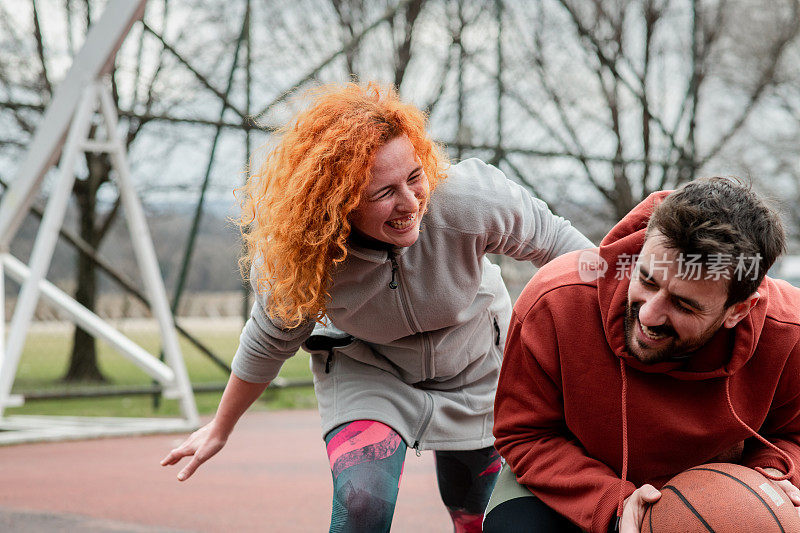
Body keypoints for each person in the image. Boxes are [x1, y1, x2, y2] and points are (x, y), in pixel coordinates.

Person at [160, 82, 593, 532]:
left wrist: (629, 309)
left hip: (476, 364)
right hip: (371, 369)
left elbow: (565, 249)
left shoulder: (467, 201)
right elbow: (268, 341)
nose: (410, 204)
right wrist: (220, 426)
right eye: (382, 193)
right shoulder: (307, 256)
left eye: (413, 176)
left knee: (477, 516)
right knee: (362, 503)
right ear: (338, 204)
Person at [486, 177, 800, 533]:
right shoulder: (555, 301)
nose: (649, 315)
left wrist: (771, 475)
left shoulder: (788, 333)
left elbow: (794, 436)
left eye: (683, 304)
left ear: (738, 311)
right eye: (647, 280)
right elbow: (525, 435)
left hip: (715, 489)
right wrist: (614, 503)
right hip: (574, 477)